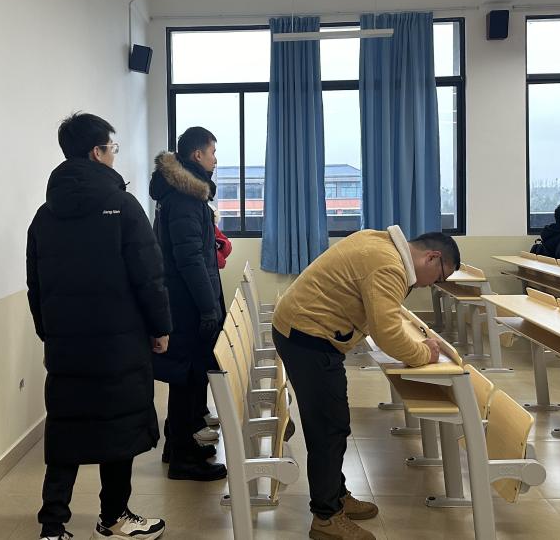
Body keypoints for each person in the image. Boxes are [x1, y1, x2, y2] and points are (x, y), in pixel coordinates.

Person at [27, 113, 171, 540]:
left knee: (66, 428)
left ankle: (53, 525)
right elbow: (149, 275)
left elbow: (36, 284)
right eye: (112, 148)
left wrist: (50, 333)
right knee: (119, 427)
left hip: (66, 346)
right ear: (97, 152)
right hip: (119, 344)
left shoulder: (45, 215)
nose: (113, 156)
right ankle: (113, 517)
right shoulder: (122, 206)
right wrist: (160, 326)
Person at [272, 227, 457, 540]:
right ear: (432, 257)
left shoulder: (381, 243)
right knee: (329, 428)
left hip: (303, 330)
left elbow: (384, 316)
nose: (432, 285)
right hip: (308, 337)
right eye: (439, 277)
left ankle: (336, 495)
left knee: (333, 423)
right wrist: (424, 353)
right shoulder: (390, 266)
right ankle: (326, 518)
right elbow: (387, 333)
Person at [149, 127, 228, 482]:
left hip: (187, 301)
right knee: (187, 379)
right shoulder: (185, 199)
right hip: (187, 305)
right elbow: (190, 259)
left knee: (190, 379)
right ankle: (182, 458)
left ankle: (178, 445)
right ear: (197, 155)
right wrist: (209, 307)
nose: (215, 159)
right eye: (212, 152)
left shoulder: (186, 195)